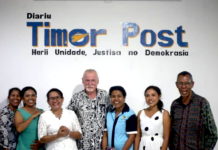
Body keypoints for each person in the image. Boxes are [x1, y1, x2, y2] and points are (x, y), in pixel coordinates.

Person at [169, 71, 218, 149]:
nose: (183, 87)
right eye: (180, 83)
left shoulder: (202, 103)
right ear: (176, 85)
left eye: (187, 83)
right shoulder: (175, 104)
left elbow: (212, 133)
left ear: (192, 84)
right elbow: (171, 131)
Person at [67, 69, 111, 150]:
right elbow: (68, 117)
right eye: (87, 80)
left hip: (102, 144)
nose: (90, 83)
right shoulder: (76, 98)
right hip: (82, 145)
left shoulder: (105, 95)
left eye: (93, 80)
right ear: (83, 81)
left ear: (97, 81)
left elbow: (113, 114)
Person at [134, 86, 171, 150]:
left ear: (159, 96)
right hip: (144, 146)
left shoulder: (164, 113)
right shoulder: (141, 113)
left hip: (158, 146)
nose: (150, 98)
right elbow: (138, 136)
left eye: (153, 95)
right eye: (147, 96)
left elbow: (166, 137)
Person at [102, 86, 137, 150]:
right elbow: (105, 135)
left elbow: (132, 137)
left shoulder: (130, 114)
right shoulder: (109, 114)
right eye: (113, 96)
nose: (116, 99)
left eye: (119, 96)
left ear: (124, 97)